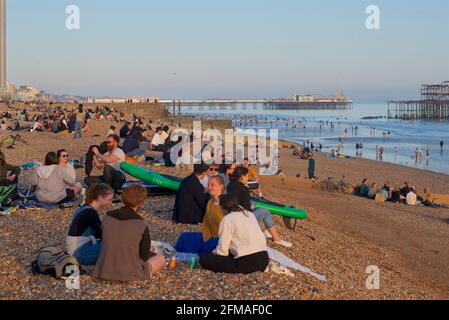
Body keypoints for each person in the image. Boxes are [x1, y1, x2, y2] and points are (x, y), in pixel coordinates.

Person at [93, 185, 165, 281]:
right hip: (131, 273)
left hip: (104, 270)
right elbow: (143, 257)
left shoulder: (107, 218)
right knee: (161, 259)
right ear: (140, 203)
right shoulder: (141, 225)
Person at [199, 194, 269, 274]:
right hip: (264, 259)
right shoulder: (249, 214)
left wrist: (213, 254)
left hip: (247, 263)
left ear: (222, 208)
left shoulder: (228, 219)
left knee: (204, 259)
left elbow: (222, 251)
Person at [227, 167, 292, 248]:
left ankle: (264, 233)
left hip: (232, 216)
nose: (247, 178)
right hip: (242, 219)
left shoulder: (230, 185)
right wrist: (252, 206)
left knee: (259, 209)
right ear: (242, 176)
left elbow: (238, 202)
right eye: (247, 176)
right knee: (265, 211)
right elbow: (248, 211)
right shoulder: (244, 188)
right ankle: (277, 239)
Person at [66, 183, 114, 265]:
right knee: (114, 248)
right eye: (109, 200)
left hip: (73, 249)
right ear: (100, 198)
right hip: (78, 253)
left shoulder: (84, 208)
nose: (110, 203)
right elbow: (102, 235)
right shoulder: (90, 213)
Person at [202, 176, 226, 242]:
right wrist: (206, 239)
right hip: (210, 238)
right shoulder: (209, 202)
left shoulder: (226, 203)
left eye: (212, 185)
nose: (209, 187)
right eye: (208, 185)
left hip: (223, 240)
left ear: (221, 186)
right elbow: (206, 223)